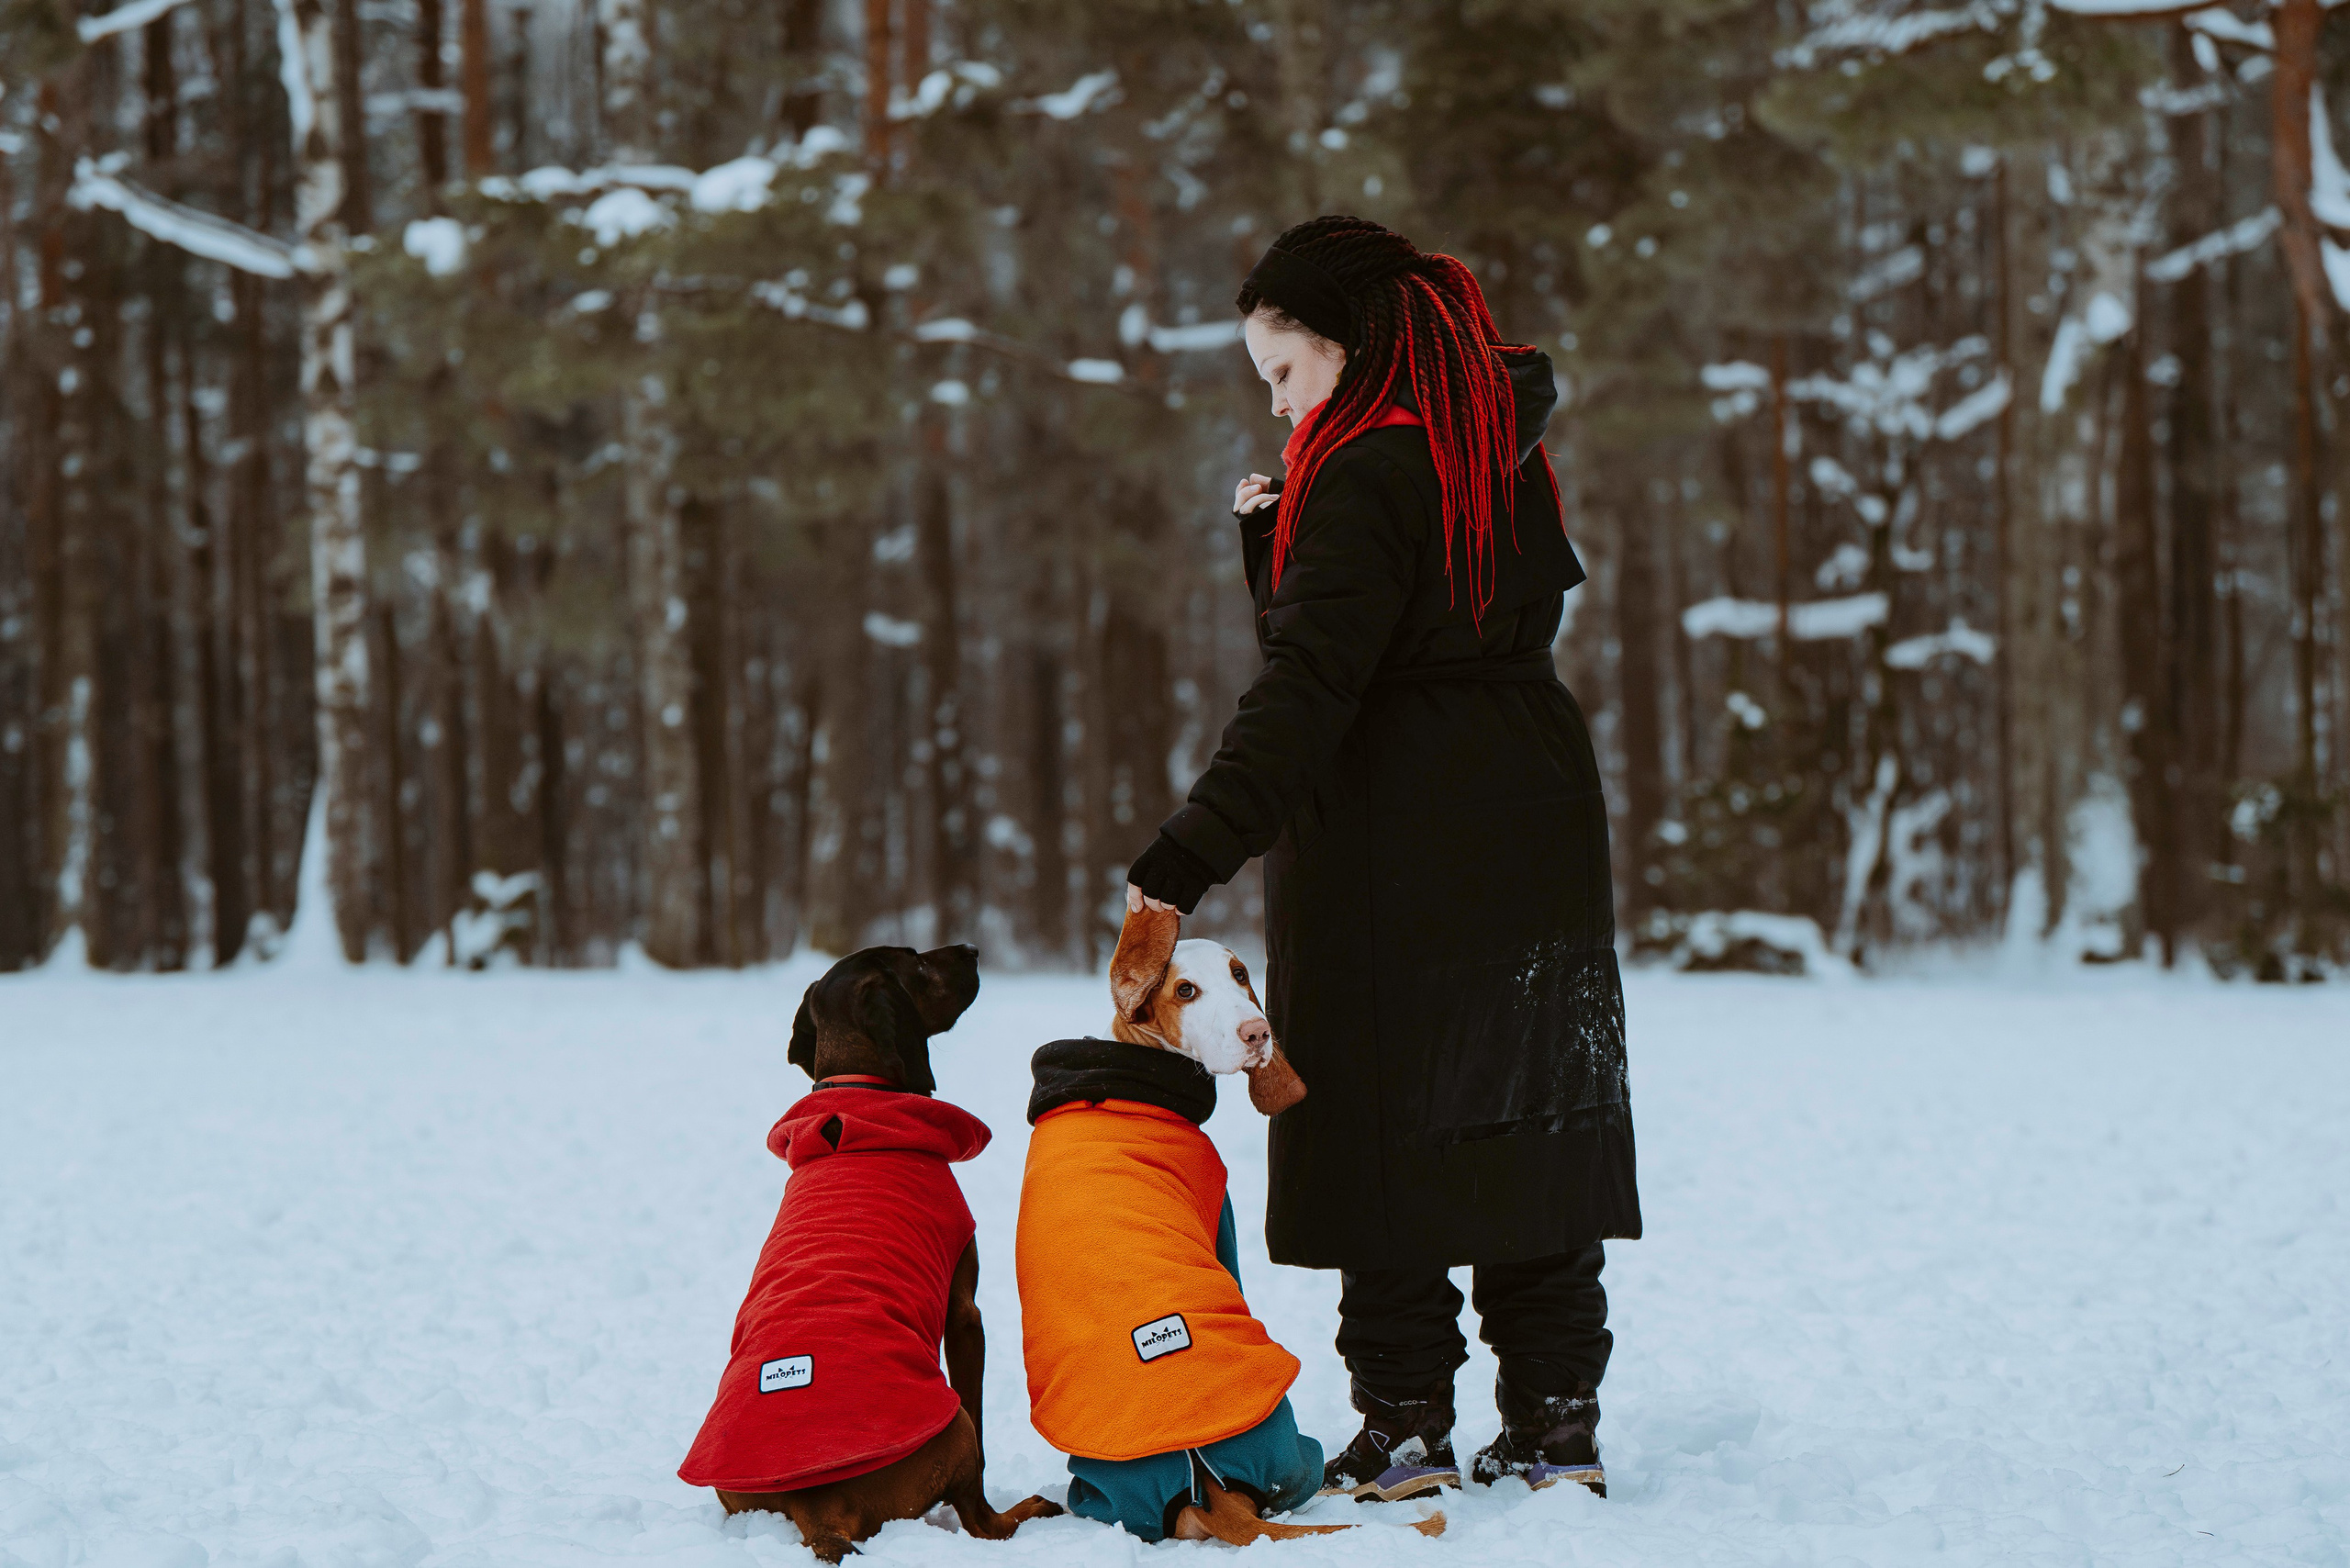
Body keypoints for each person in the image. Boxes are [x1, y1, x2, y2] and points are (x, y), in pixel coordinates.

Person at [1123, 216, 1641, 1500]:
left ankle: (1407, 1421)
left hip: (1396, 828)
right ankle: (1555, 1422)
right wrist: (1284, 535)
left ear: (1355, 352)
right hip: (1532, 802)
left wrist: (1183, 858)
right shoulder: (1491, 447)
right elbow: (1438, 623)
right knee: (1529, 1110)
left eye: (1288, 376)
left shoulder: (1362, 473)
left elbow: (1314, 691)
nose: (1287, 410)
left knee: (1376, 1117)